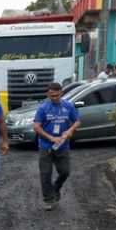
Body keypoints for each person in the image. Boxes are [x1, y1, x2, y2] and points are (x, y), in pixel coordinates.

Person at [33, 82, 81, 211]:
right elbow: (36, 126)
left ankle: (56, 187)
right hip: (46, 146)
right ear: (47, 95)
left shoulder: (68, 106)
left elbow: (77, 121)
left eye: (56, 95)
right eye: (51, 96)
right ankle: (48, 199)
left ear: (61, 93)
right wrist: (50, 137)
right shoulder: (43, 108)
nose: (54, 98)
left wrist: (71, 130)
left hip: (62, 145)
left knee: (65, 172)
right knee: (45, 174)